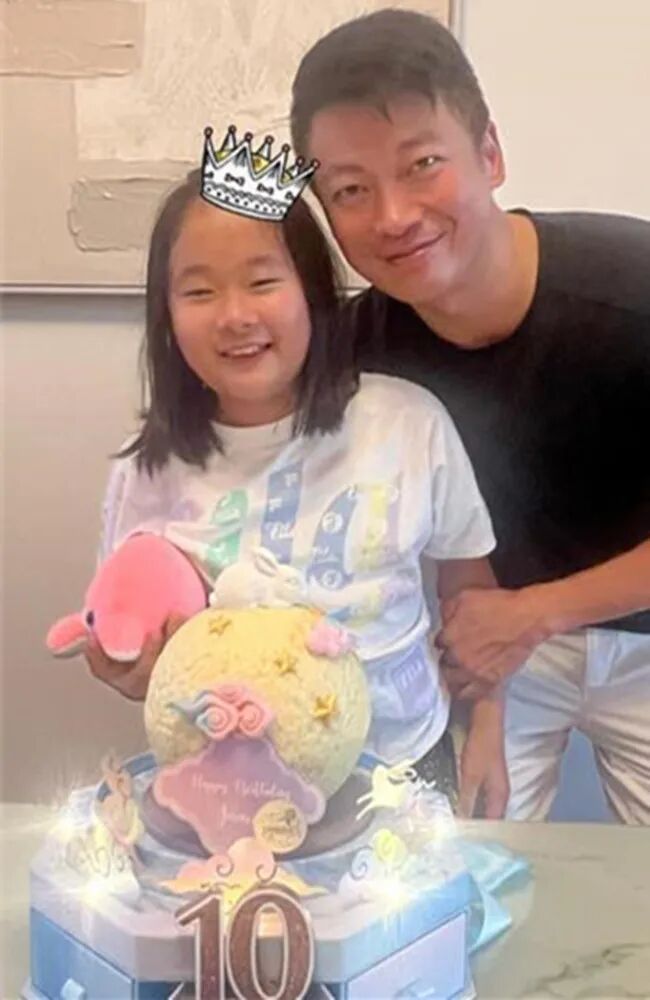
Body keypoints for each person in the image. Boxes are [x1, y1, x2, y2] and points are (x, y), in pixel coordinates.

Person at [290, 8, 650, 823]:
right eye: (350, 190)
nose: (393, 216)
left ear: (490, 154)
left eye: (422, 164)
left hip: (616, 626)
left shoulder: (632, 292)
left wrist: (537, 613)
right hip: (488, 652)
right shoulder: (355, 354)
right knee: (458, 861)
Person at [85, 161, 508, 817]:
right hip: (225, 791)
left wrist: (488, 725)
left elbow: (471, 595)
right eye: (199, 292)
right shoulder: (144, 473)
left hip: (401, 773)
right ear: (166, 315)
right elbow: (135, 640)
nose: (235, 315)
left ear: (313, 292)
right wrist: (128, 669)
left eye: (262, 282)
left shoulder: (406, 424)